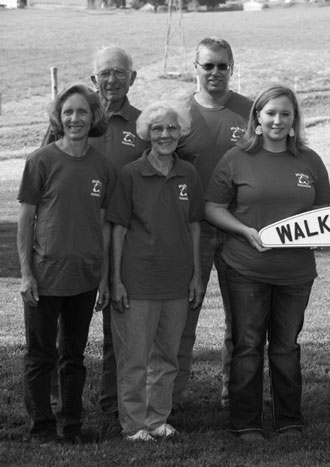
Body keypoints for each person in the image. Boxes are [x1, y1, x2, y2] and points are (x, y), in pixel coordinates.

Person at [205, 85, 330, 441]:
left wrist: (316, 235)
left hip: (295, 272)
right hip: (245, 267)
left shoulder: (309, 160)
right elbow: (212, 207)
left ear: (294, 121)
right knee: (247, 346)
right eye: (271, 113)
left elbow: (324, 210)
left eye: (285, 114)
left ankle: (289, 420)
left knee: (286, 347)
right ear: (257, 118)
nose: (277, 120)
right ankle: (246, 422)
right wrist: (244, 230)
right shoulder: (236, 158)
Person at [42, 46, 147, 418]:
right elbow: (45, 178)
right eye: (104, 73)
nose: (112, 80)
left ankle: (111, 407)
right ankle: (58, 405)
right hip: (73, 241)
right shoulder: (72, 119)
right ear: (93, 79)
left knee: (117, 327)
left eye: (120, 72)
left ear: (132, 78)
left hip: (123, 240)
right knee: (62, 329)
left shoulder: (144, 124)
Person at [17, 83, 117, 444]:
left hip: (85, 278)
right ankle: (42, 427)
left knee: (73, 357)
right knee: (40, 356)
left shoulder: (104, 167)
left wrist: (105, 278)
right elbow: (26, 222)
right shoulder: (40, 161)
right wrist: (27, 274)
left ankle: (71, 425)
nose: (75, 118)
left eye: (82, 112)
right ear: (58, 117)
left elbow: (103, 226)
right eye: (68, 112)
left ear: (94, 118)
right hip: (44, 278)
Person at [106, 101, 204, 441]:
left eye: (172, 128)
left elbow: (194, 226)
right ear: (147, 133)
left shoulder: (188, 174)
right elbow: (117, 229)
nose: (165, 134)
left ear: (182, 132)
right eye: (158, 128)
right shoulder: (131, 174)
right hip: (137, 281)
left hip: (177, 281)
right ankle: (134, 425)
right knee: (134, 358)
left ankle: (157, 419)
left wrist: (197, 274)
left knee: (168, 356)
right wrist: (115, 279)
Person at [174, 37, 253, 410]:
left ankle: (234, 394)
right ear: (195, 68)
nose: (215, 72)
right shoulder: (178, 115)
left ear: (232, 67)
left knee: (240, 321)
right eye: (208, 66)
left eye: (222, 65)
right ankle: (171, 398)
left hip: (240, 230)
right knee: (183, 316)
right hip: (192, 232)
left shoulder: (251, 112)